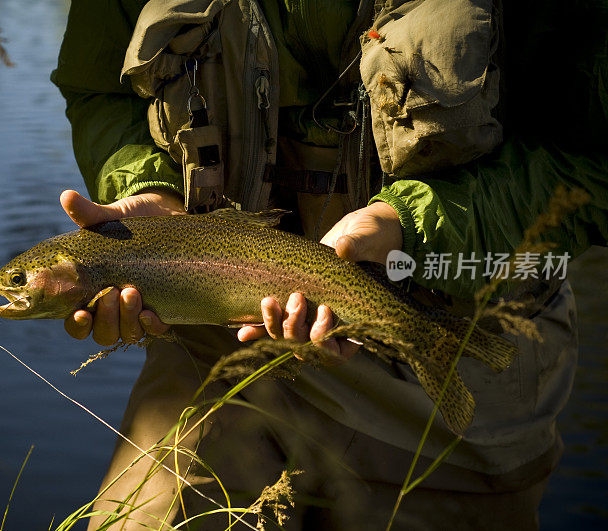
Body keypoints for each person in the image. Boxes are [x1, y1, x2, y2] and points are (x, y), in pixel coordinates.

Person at [50, 1, 608, 529]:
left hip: (456, 362)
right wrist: (150, 190)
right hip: (215, 355)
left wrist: (408, 224)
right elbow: (98, 88)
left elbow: (590, 164)